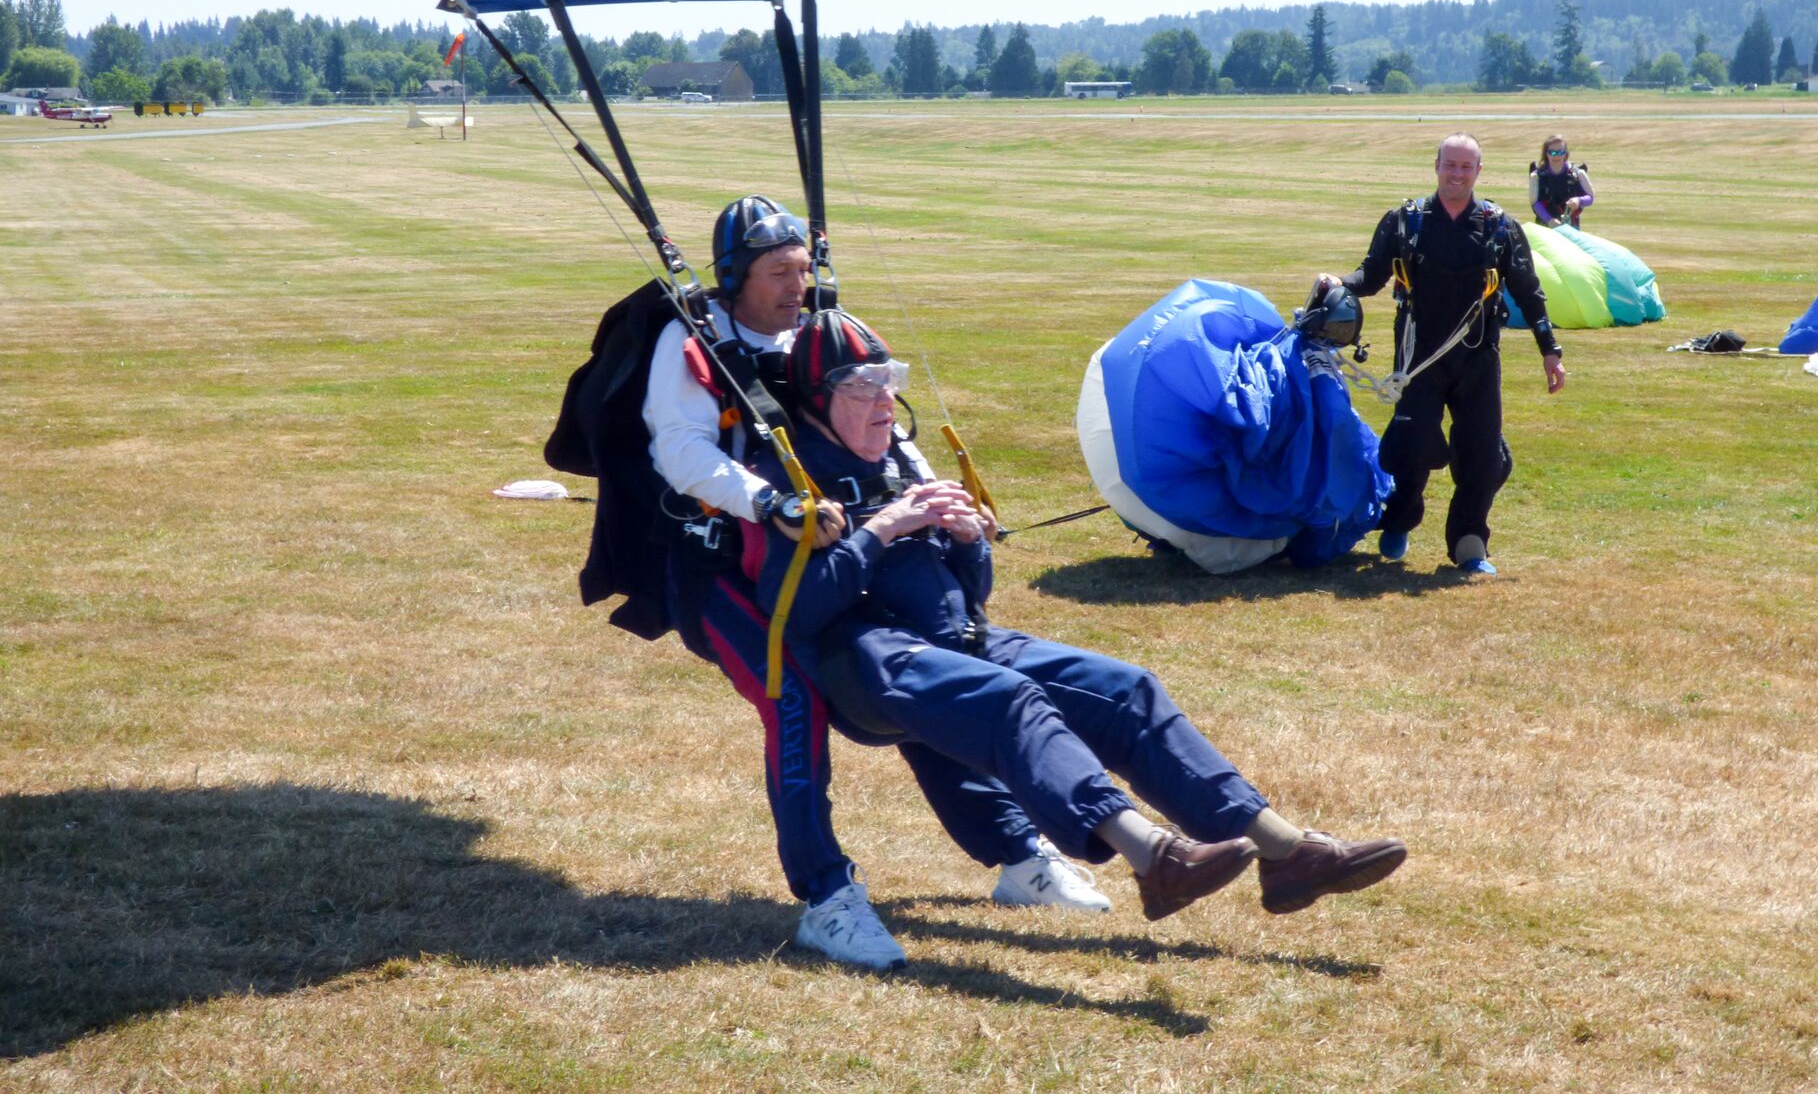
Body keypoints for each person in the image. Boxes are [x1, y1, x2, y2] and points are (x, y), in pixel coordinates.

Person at [561, 196, 1107, 975]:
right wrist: (773, 502)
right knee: (794, 700)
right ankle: (827, 898)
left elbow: (884, 425)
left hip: (831, 560)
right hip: (720, 572)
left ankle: (1019, 855)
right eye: (777, 273)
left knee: (924, 675)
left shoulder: (816, 333)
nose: (796, 285)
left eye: (802, 269)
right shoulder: (691, 344)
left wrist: (935, 497)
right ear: (735, 278)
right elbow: (681, 453)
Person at [746, 310, 1409, 934]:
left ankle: (1286, 851)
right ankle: (1153, 858)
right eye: (863, 388)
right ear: (816, 402)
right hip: (872, 658)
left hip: (959, 640)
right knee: (1011, 701)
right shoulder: (794, 479)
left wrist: (968, 539)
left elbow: (971, 594)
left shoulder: (895, 458)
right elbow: (794, 609)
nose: (885, 402)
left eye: (891, 383)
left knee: (1128, 691)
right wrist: (882, 530)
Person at [1319, 134, 1565, 574]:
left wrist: (1551, 351)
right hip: (1416, 363)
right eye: (1450, 165)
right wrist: (1337, 283)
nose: (1456, 174)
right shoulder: (1403, 221)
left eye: (1465, 167)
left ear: (1478, 172)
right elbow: (1370, 275)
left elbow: (1529, 293)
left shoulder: (1500, 227)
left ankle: (1470, 545)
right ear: (1436, 166)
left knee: (1482, 455)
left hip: (1478, 360)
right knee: (1412, 447)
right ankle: (1398, 521)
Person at [1528, 134, 1594, 228]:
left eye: (1560, 152)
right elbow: (1535, 203)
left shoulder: (1578, 174)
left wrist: (1579, 200)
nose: (1556, 156)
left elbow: (1590, 198)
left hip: (1571, 226)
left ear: (1566, 153)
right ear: (1546, 153)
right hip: (1544, 228)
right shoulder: (1536, 176)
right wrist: (1549, 220)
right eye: (1552, 153)